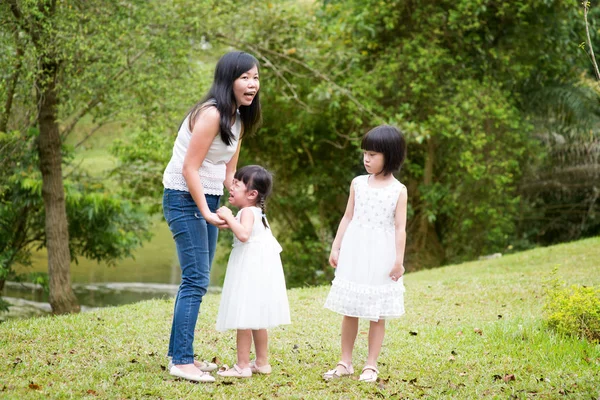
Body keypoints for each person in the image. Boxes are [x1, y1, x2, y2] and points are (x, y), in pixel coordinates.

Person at [162, 51, 262, 383]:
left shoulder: (238, 118)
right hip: (182, 197)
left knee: (196, 279)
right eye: (244, 77)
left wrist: (236, 202)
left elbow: (228, 168)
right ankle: (181, 360)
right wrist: (204, 210)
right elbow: (189, 167)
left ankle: (178, 353)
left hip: (209, 197)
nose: (252, 84)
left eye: (256, 78)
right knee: (196, 279)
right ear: (228, 80)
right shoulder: (210, 115)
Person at [323, 125, 408, 383]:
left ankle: (371, 365)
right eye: (365, 153)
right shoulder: (358, 183)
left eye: (373, 154)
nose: (366, 159)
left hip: (381, 253)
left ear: (390, 155)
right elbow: (348, 216)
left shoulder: (398, 190)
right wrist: (336, 246)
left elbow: (399, 227)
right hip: (355, 249)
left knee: (376, 312)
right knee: (350, 308)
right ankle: (345, 361)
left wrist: (398, 261)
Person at [214, 165, 291, 378]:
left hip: (248, 270)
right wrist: (228, 221)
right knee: (257, 319)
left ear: (252, 194)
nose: (232, 186)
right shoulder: (257, 212)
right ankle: (262, 363)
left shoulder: (246, 211)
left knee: (244, 318)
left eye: (237, 184)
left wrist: (229, 217)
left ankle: (242, 365)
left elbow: (244, 235)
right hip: (259, 271)